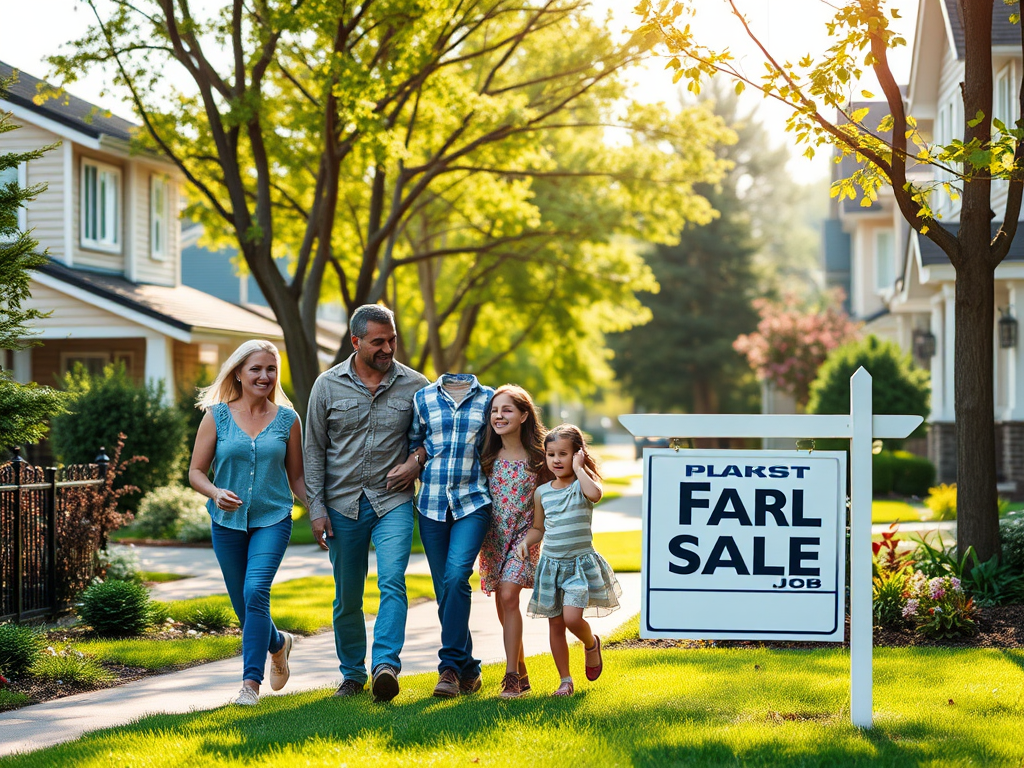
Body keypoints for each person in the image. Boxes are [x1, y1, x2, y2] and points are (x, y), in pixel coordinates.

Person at [304, 304, 428, 703]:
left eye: (392, 339)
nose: (388, 348)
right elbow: (313, 449)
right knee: (348, 597)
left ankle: (385, 665)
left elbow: (432, 437)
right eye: (378, 342)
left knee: (393, 581)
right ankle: (352, 674)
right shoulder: (326, 385)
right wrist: (316, 508)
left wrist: (415, 461)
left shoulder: (416, 385)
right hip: (342, 504)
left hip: (392, 500)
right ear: (355, 342)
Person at [189, 340, 305, 706]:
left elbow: (297, 479)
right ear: (238, 372)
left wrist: (320, 512)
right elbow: (195, 472)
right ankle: (278, 642)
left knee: (256, 591)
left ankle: (249, 686)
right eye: (256, 368)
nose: (264, 376)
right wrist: (214, 492)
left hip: (273, 519)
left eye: (270, 369)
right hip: (227, 522)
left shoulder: (288, 419)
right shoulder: (217, 416)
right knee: (244, 605)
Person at [518, 423, 621, 697]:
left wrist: (579, 469)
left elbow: (596, 494)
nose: (556, 460)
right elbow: (539, 528)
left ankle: (590, 643)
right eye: (551, 454)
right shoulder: (542, 492)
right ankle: (565, 680)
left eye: (563, 454)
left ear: (577, 454)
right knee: (555, 624)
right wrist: (526, 542)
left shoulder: (581, 486)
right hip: (551, 567)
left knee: (572, 618)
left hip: (578, 567)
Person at [409, 372, 494, 698]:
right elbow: (414, 442)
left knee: (457, 575)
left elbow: (501, 439)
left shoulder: (488, 398)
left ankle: (449, 669)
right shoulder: (424, 398)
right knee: (445, 589)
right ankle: (470, 670)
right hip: (431, 504)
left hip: (473, 501)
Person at [478, 384, 549, 699]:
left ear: (523, 415)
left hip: (524, 538)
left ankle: (509, 676)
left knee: (509, 594)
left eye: (506, 409)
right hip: (493, 539)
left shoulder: (540, 458)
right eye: (494, 410)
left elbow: (555, 497)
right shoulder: (486, 455)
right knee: (503, 601)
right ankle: (521, 671)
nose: (498, 415)